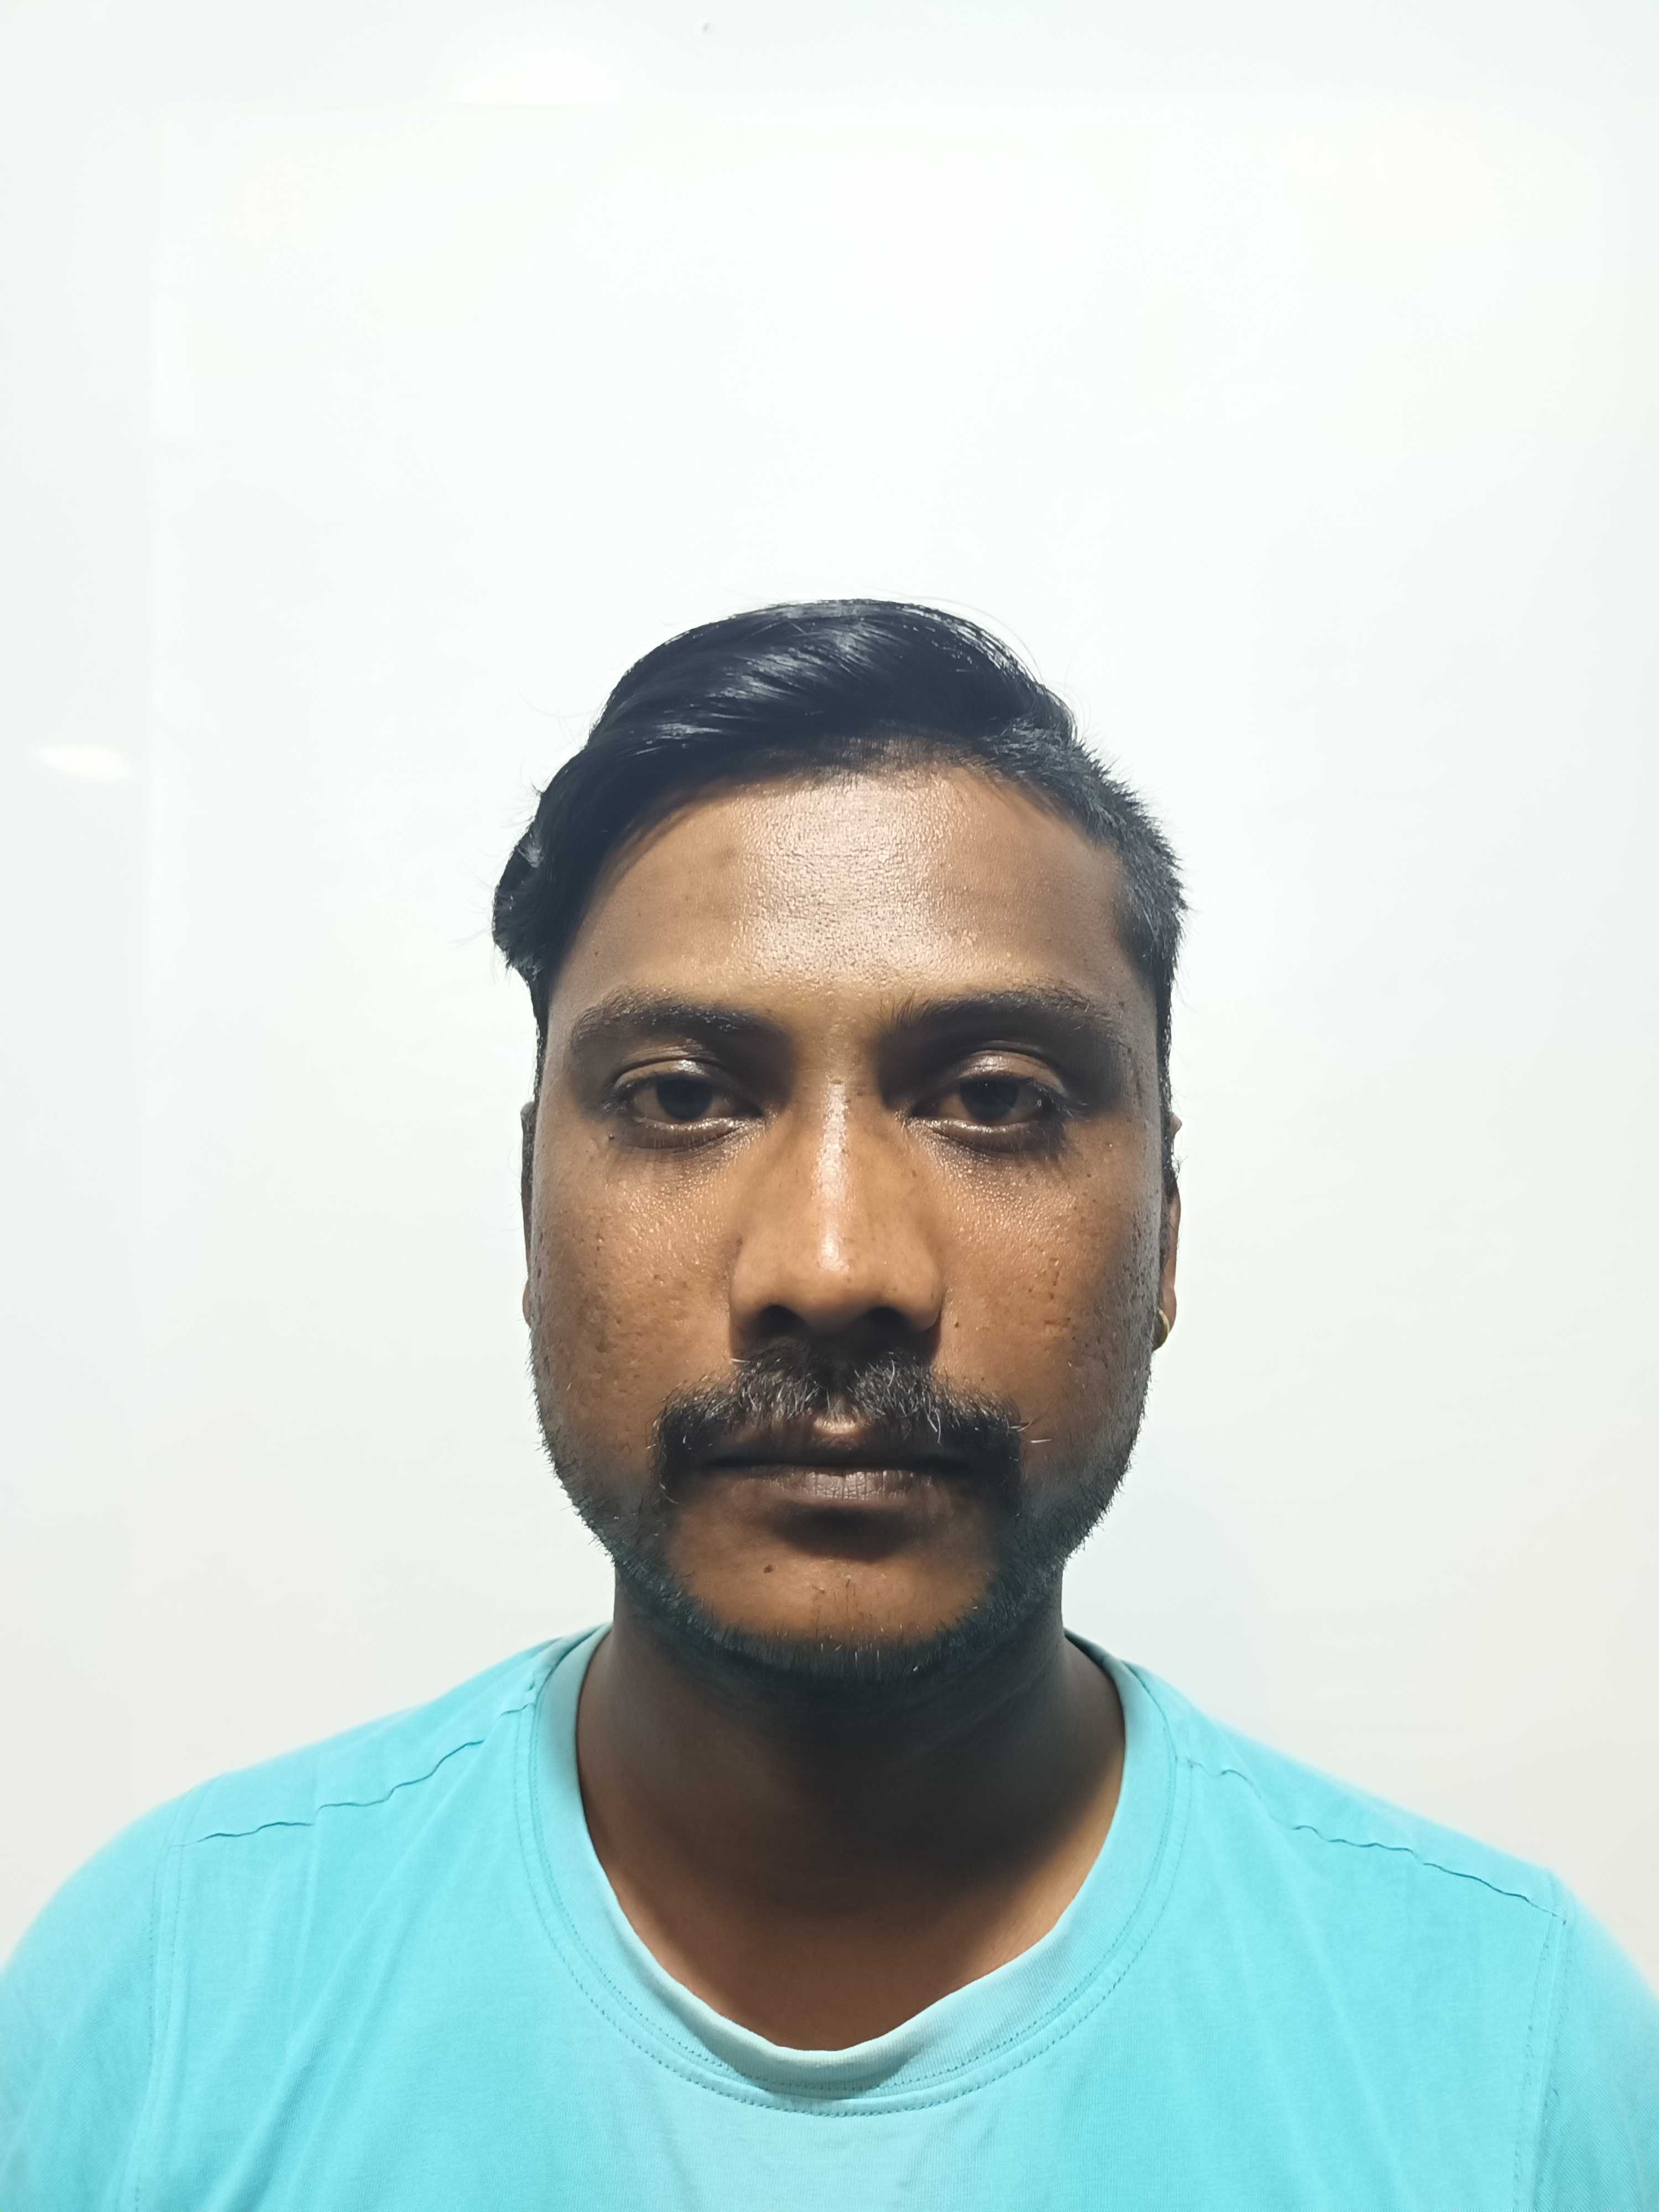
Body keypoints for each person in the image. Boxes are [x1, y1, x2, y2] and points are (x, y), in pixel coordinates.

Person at [1, 601, 1653, 2209]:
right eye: (684, 1098)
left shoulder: (1511, 2058)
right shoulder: (166, 2002)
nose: (836, 1264)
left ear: (1163, 1233)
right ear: (530, 1211)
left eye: (995, 1100)